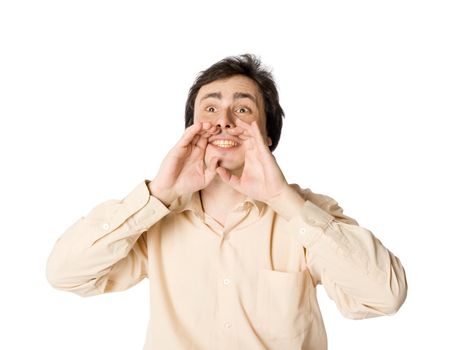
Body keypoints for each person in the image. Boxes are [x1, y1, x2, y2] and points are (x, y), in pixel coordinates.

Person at [46, 54, 407, 350]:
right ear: (190, 130)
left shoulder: (306, 214)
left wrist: (283, 199)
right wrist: (157, 195)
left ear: (267, 136)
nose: (224, 122)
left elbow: (385, 296)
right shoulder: (155, 218)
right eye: (210, 110)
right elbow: (65, 274)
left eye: (244, 110)